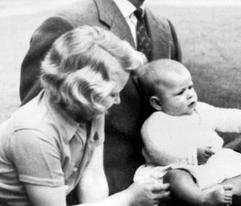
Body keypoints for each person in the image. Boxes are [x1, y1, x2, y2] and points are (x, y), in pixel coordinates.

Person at [19, 0, 182, 194]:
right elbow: (39, 139)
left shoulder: (163, 29)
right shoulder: (65, 27)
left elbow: (182, 113)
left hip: (169, 188)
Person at [0, 26, 170, 206]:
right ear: (81, 92)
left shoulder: (90, 107)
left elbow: (93, 179)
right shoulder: (35, 134)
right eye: (113, 94)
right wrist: (128, 198)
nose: (118, 100)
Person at [134, 59, 241, 206]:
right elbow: (157, 149)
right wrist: (191, 154)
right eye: (180, 93)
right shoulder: (157, 122)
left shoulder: (200, 110)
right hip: (177, 166)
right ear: (157, 103)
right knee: (176, 177)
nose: (190, 95)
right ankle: (201, 199)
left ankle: (217, 195)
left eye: (190, 87)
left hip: (208, 167)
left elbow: (226, 116)